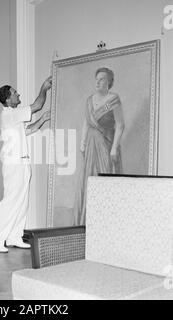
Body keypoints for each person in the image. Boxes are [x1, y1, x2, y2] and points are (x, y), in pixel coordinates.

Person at [0, 77, 52, 252]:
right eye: (15, 93)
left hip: (22, 161)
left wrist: (43, 120)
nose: (18, 94)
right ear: (8, 99)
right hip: (14, 163)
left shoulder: (13, 117)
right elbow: (37, 105)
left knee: (22, 201)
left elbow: (28, 131)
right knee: (11, 201)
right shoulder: (9, 114)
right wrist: (44, 87)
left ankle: (14, 237)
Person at [72, 67, 125, 226]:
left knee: (104, 178)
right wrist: (82, 142)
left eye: (102, 79)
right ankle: (87, 219)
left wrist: (114, 147)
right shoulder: (89, 100)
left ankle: (105, 220)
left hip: (106, 144)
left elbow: (121, 125)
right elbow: (86, 122)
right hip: (91, 144)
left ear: (109, 82)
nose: (98, 81)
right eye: (97, 78)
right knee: (89, 178)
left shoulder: (113, 99)